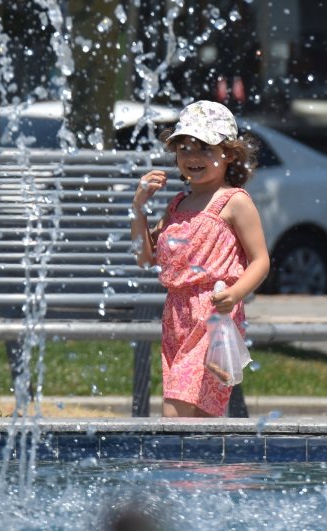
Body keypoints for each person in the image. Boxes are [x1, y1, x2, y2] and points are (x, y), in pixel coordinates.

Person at [129, 101, 270, 418]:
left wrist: (234, 294)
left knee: (176, 414)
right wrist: (138, 208)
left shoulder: (234, 203)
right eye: (185, 149)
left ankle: (188, 466)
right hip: (176, 316)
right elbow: (145, 257)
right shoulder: (178, 205)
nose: (193, 158)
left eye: (205, 149)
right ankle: (218, 469)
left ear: (229, 154)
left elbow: (261, 260)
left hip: (214, 315)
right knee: (203, 414)